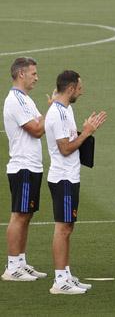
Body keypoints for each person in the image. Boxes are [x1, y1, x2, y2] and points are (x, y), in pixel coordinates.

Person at [42, 70, 106, 295]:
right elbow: (65, 148)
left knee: (68, 227)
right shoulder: (58, 114)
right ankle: (60, 280)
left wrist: (85, 131)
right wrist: (87, 132)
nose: (82, 91)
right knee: (63, 228)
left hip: (69, 176)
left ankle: (66, 274)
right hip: (63, 179)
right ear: (70, 88)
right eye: (79, 87)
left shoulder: (65, 109)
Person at [4, 56, 47, 283]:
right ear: (21, 74)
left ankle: (20, 261)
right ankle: (12, 266)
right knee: (19, 215)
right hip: (22, 165)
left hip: (31, 165)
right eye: (33, 74)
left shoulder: (26, 99)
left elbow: (40, 123)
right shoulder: (16, 101)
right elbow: (37, 129)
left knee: (26, 214)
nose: (36, 78)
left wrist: (42, 117)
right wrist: (49, 111)